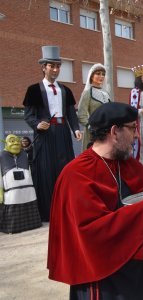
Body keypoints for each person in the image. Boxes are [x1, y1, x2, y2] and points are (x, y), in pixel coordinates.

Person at [47, 102, 143, 299]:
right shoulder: (77, 173)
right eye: (132, 128)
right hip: (102, 277)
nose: (137, 135)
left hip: (138, 268)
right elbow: (90, 232)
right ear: (115, 132)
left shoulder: (127, 164)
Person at [23, 46, 82, 222]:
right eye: (51, 66)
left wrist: (76, 129)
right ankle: (48, 213)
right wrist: (37, 124)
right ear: (44, 67)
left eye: (58, 66)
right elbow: (28, 115)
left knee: (65, 171)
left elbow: (71, 113)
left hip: (63, 133)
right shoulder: (33, 90)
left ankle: (67, 210)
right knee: (45, 171)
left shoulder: (66, 90)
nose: (55, 69)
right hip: (45, 135)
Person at [0, 134, 41, 234]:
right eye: (12, 140)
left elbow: (30, 170)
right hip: (11, 191)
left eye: (17, 140)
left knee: (29, 199)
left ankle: (33, 224)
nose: (16, 143)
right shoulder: (1, 156)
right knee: (12, 201)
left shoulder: (24, 154)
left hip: (28, 188)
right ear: (6, 143)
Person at [77, 63, 110, 151]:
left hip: (107, 131)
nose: (101, 76)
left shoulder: (106, 93)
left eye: (103, 74)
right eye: (98, 73)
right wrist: (90, 126)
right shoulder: (87, 92)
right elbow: (81, 114)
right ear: (91, 76)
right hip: (93, 132)